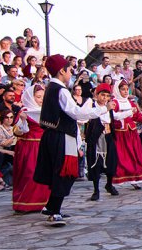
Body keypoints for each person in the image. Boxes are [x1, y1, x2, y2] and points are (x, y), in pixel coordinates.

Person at [34, 55, 108, 227]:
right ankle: (54, 211)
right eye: (69, 70)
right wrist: (102, 110)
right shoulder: (61, 91)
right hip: (61, 136)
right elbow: (77, 113)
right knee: (64, 172)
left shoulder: (51, 88)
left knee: (60, 172)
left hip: (53, 135)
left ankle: (51, 206)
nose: (70, 74)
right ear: (62, 71)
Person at [12, 85, 51, 212]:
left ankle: (42, 202)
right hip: (29, 146)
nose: (41, 99)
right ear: (31, 97)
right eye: (38, 97)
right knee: (30, 173)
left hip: (43, 145)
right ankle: (25, 202)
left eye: (43, 97)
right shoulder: (25, 111)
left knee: (45, 174)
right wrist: (23, 121)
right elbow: (18, 132)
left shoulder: (46, 110)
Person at [109, 80, 142, 188]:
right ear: (118, 90)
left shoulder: (130, 103)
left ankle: (134, 178)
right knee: (121, 157)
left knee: (134, 155)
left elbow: (137, 116)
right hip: (120, 134)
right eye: (123, 89)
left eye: (127, 89)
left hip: (131, 133)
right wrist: (128, 112)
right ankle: (117, 179)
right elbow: (114, 116)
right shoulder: (114, 103)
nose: (126, 91)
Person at [84, 84, 120, 201]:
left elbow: (116, 117)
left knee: (111, 161)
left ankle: (109, 184)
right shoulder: (91, 105)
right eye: (102, 95)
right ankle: (96, 190)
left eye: (107, 96)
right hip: (96, 138)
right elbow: (85, 115)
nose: (104, 98)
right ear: (97, 94)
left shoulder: (109, 107)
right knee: (96, 163)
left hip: (108, 136)